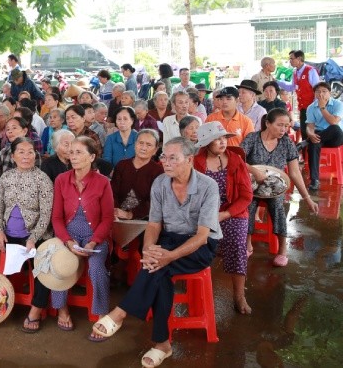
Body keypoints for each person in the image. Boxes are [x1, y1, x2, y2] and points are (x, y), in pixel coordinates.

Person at [92, 138, 221, 368]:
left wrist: (167, 257)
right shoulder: (161, 182)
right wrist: (149, 250)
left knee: (161, 266)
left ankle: (121, 313)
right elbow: (153, 225)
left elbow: (202, 236)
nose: (166, 162)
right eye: (164, 157)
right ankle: (161, 344)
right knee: (157, 269)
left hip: (200, 246)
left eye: (173, 158)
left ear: (189, 160)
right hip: (168, 240)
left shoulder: (207, 186)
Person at [0, 137, 53, 332]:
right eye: (21, 152)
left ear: (35, 155)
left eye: (30, 152)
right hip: (7, 234)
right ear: (13, 156)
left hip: (34, 235)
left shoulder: (43, 179)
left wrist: (33, 238)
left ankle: (35, 310)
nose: (26, 156)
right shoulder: (6, 177)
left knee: (43, 268)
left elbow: (46, 214)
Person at [51, 136, 114, 336]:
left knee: (96, 268)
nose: (73, 156)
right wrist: (68, 241)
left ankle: (101, 314)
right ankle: (61, 308)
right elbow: (57, 218)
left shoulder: (103, 182)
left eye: (79, 152)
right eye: (71, 152)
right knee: (59, 264)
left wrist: (94, 241)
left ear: (92, 156)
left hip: (95, 237)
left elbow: (107, 218)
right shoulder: (62, 179)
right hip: (67, 236)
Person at [241, 108, 319, 266]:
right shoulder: (252, 138)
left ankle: (282, 250)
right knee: (247, 204)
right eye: (280, 125)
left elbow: (295, 173)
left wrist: (307, 198)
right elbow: (237, 160)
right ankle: (247, 244)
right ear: (268, 124)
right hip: (251, 184)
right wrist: (254, 170)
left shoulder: (286, 143)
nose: (284, 129)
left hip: (275, 187)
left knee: (278, 205)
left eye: (286, 126)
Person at [193, 122, 254, 314]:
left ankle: (239, 296)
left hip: (232, 212)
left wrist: (225, 214)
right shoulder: (195, 163)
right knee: (193, 242)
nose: (221, 142)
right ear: (205, 143)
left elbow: (246, 196)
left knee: (237, 244)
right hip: (202, 214)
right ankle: (197, 292)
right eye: (216, 139)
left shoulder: (235, 160)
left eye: (223, 138)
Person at [111, 129, 164, 221]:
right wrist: (115, 211)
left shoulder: (158, 171)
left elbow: (154, 201)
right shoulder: (122, 165)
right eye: (141, 143)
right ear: (135, 145)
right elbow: (112, 192)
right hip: (116, 215)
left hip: (143, 219)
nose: (143, 148)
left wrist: (130, 215)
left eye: (149, 145)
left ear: (155, 150)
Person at [304, 82, 343, 191]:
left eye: (324, 92)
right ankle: (314, 180)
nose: (321, 94)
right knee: (314, 141)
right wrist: (310, 134)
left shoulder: (338, 104)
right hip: (320, 135)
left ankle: (306, 141)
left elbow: (333, 121)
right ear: (315, 94)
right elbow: (310, 126)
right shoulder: (311, 107)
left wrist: (322, 108)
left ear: (329, 93)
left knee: (334, 128)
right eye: (318, 92)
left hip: (336, 136)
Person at [286, 50, 319, 140]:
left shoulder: (310, 71)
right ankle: (305, 153)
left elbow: (317, 89)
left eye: (292, 59)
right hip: (303, 108)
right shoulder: (295, 72)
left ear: (299, 59)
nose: (290, 61)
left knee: (313, 132)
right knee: (304, 131)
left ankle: (312, 153)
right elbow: (291, 87)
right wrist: (278, 82)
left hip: (312, 107)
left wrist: (315, 107)